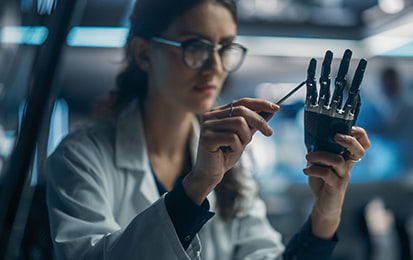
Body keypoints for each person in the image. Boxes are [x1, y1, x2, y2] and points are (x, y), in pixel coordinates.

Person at [46, 0, 371, 259]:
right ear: (144, 53)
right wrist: (197, 186)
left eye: (224, 48)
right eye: (195, 46)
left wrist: (326, 212)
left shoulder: (231, 160)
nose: (215, 67)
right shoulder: (81, 157)